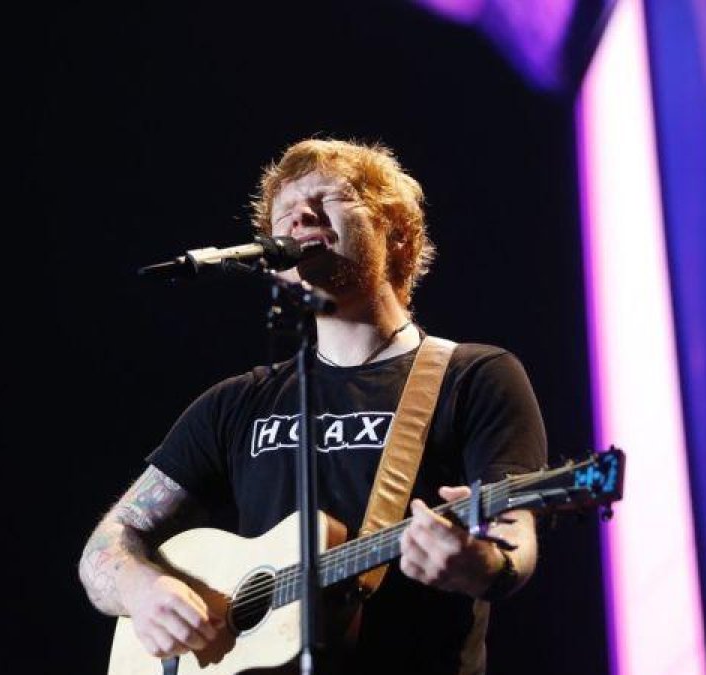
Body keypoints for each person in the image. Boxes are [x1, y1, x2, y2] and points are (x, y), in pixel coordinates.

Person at [78, 138, 548, 675]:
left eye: (331, 197)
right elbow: (107, 543)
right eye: (284, 211)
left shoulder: (474, 376)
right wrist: (143, 591)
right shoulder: (237, 403)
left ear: (395, 233)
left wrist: (481, 563)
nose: (301, 214)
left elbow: (516, 538)